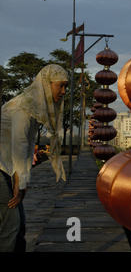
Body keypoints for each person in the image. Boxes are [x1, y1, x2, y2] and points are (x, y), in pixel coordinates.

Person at [0, 64, 69, 252]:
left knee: (20, 226)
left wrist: (24, 181)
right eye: (59, 86)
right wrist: (19, 182)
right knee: (11, 227)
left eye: (65, 86)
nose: (63, 91)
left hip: (7, 167)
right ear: (47, 84)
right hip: (2, 168)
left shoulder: (35, 106)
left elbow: (29, 144)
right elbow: (19, 145)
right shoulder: (25, 106)